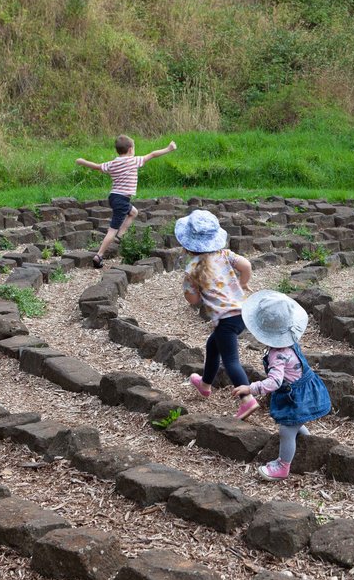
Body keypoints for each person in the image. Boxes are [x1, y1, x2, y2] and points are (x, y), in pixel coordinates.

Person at [232, 290, 331, 480]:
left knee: (286, 430)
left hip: (296, 398)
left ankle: (283, 466)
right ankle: (307, 442)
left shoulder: (277, 355)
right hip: (307, 389)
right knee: (296, 424)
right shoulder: (292, 340)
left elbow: (275, 382)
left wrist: (250, 388)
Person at [177, 210, 259, 420]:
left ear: (187, 244)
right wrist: (242, 283)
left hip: (225, 319)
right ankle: (205, 384)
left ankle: (247, 399)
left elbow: (193, 301)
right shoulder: (225, 255)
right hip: (241, 313)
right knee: (212, 346)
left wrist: (189, 290)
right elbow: (247, 265)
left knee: (231, 361)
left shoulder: (192, 269)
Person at [75, 135, 177, 268]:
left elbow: (97, 167)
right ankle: (99, 255)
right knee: (112, 229)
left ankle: (120, 236)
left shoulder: (112, 163)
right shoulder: (133, 161)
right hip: (122, 199)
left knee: (133, 212)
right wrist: (168, 148)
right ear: (130, 150)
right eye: (134, 148)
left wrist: (82, 161)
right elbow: (152, 154)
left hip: (114, 197)